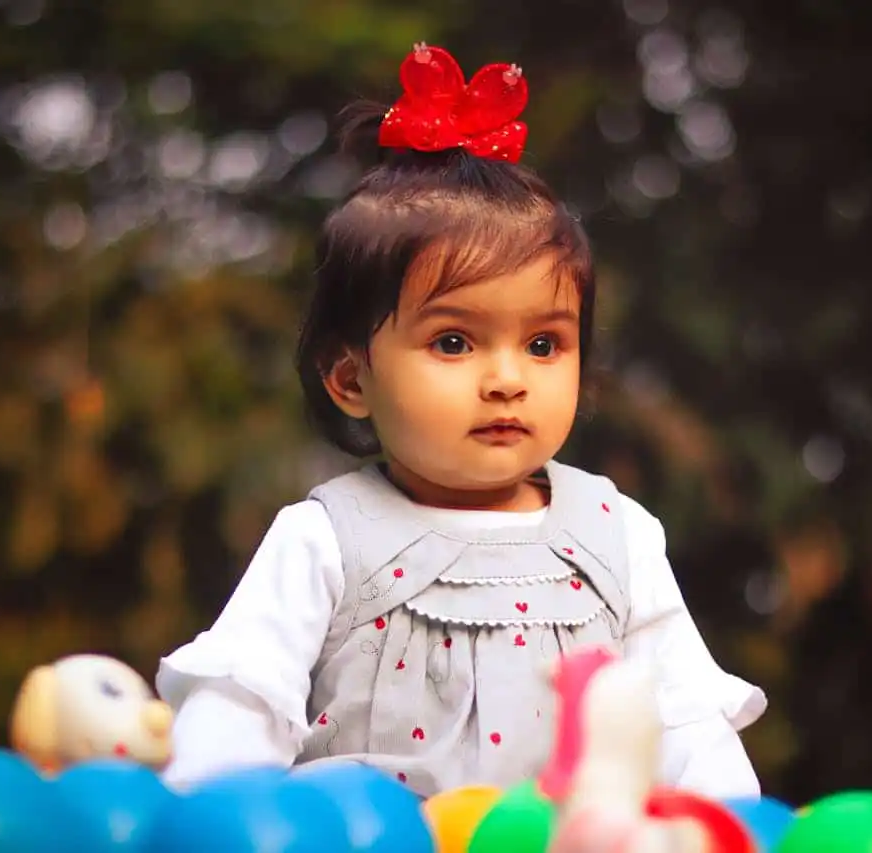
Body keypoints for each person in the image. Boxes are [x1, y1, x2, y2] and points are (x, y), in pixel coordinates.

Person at [157, 42, 766, 798]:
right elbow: (241, 709)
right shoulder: (328, 539)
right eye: (453, 341)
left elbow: (683, 722)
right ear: (352, 377)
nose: (507, 379)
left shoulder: (616, 536)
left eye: (544, 344)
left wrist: (732, 825)